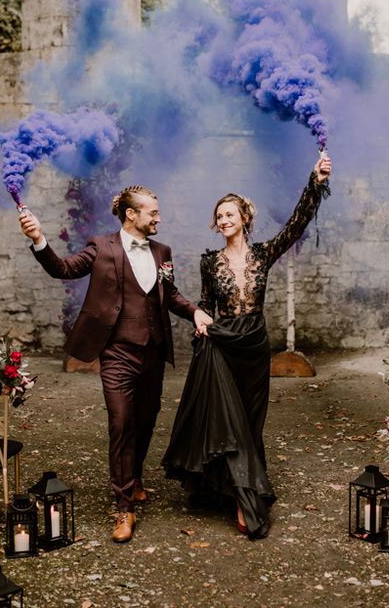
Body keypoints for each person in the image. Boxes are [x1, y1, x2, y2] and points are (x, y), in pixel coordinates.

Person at [19, 186, 213, 543]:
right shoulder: (100, 246)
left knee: (146, 418)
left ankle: (135, 475)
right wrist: (39, 239)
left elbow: (169, 295)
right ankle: (124, 507)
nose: (158, 218)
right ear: (131, 215)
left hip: (152, 350)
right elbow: (63, 269)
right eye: (152, 212)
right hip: (116, 353)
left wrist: (196, 311)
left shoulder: (162, 252)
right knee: (121, 422)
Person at [162, 155, 332, 539]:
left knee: (250, 424)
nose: (223, 220)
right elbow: (207, 303)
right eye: (219, 216)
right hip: (223, 343)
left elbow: (296, 225)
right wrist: (201, 323)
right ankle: (246, 499)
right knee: (230, 422)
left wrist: (316, 181)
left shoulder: (263, 254)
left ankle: (235, 485)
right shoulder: (210, 262)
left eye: (229, 214)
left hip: (254, 345)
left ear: (244, 219)